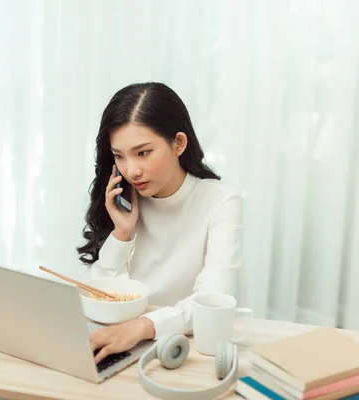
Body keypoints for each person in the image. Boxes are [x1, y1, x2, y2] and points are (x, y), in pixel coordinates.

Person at [77, 82, 242, 364]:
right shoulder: (124, 202)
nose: (131, 170)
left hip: (182, 350)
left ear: (178, 143)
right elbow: (101, 295)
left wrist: (141, 328)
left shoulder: (220, 201)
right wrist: (121, 233)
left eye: (142, 153)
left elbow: (213, 298)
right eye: (119, 156)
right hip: (124, 342)